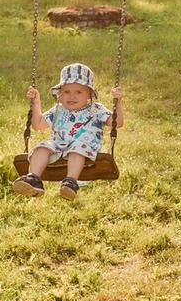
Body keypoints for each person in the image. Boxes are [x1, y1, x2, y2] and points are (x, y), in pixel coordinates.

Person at [13, 63, 124, 200]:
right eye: (66, 92)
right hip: (58, 147)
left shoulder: (96, 109)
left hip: (84, 149)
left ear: (89, 94)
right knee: (42, 147)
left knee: (77, 147)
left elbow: (117, 123)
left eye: (78, 92)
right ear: (59, 94)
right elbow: (37, 124)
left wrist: (118, 102)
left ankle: (70, 182)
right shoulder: (58, 109)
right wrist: (36, 102)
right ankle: (33, 179)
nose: (72, 96)